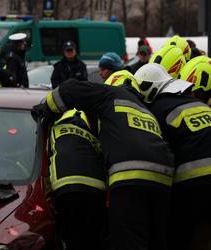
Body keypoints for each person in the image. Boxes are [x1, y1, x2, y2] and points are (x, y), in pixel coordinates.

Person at [32, 78, 175, 250]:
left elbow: (70, 88)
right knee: (155, 239)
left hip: (130, 176)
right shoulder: (146, 110)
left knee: (128, 240)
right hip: (164, 179)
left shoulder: (110, 94)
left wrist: (47, 108)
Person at [134, 63, 211, 250]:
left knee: (178, 237)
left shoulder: (157, 111)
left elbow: (159, 153)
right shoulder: (198, 104)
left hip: (192, 183)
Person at [49, 109, 106, 250]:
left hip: (65, 188)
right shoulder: (91, 136)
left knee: (71, 239)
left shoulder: (53, 130)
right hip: (96, 190)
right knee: (91, 239)